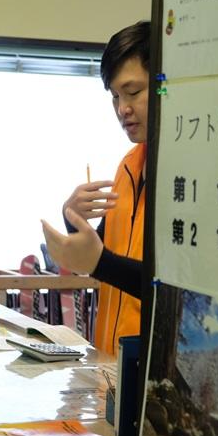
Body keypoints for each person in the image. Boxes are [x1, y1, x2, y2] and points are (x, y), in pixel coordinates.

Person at [42, 21, 149, 356]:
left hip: (152, 370)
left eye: (133, 92)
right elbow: (106, 253)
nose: (122, 109)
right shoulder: (128, 165)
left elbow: (174, 290)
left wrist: (99, 262)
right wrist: (72, 219)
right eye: (115, 96)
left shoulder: (189, 177)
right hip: (110, 363)